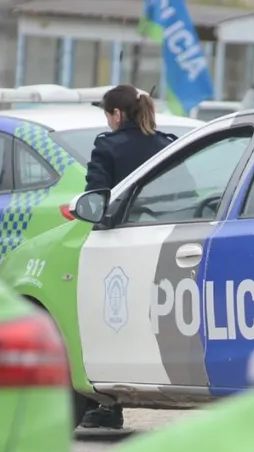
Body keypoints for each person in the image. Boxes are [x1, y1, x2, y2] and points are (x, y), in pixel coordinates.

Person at [80, 84, 178, 431]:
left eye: (108, 115)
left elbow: (96, 198)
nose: (108, 122)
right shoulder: (167, 144)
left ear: (117, 115)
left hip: (121, 245)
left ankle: (108, 405)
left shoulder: (107, 146)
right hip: (169, 241)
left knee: (105, 325)